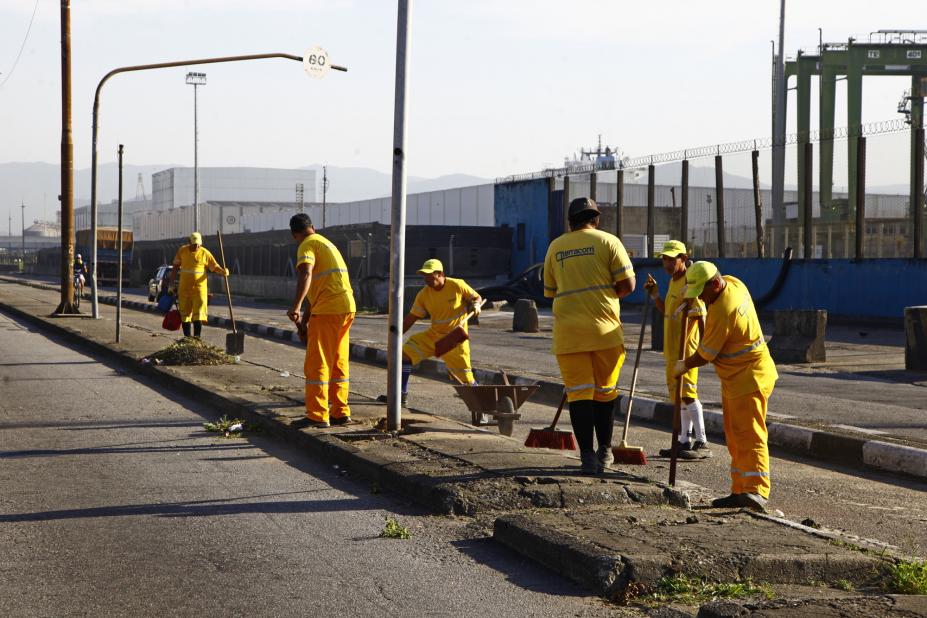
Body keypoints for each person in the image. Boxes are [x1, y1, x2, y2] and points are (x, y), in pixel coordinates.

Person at [672, 261, 778, 511]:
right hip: (738, 378)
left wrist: (683, 365)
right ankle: (740, 489)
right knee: (735, 435)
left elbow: (705, 354)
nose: (701, 299)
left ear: (715, 284)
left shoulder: (723, 311)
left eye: (702, 293)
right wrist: (696, 301)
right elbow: (709, 301)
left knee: (750, 435)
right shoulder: (734, 282)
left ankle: (756, 491)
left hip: (749, 378)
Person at [543, 197, 635, 474]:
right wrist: (606, 295)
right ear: (596, 219)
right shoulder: (609, 242)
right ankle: (605, 452)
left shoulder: (555, 247)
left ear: (570, 221)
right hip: (604, 332)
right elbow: (628, 285)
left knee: (579, 396)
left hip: (569, 335)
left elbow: (549, 291)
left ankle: (586, 457)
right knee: (605, 394)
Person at [377, 258, 483, 412]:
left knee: (466, 380)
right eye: (424, 276)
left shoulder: (457, 285)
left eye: (429, 275)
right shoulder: (424, 294)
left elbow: (476, 297)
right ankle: (400, 394)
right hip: (434, 335)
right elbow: (411, 318)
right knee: (405, 354)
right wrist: (394, 338)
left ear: (440, 274)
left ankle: (481, 407)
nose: (426, 279)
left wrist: (476, 304)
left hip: (455, 339)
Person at [643, 240, 711, 459]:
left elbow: (700, 314)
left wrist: (703, 344)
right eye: (665, 259)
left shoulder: (690, 282)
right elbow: (667, 312)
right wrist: (655, 295)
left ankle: (701, 440)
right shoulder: (673, 282)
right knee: (678, 396)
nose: (667, 263)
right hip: (671, 349)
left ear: (684, 258)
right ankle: (684, 440)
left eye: (672, 259)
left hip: (686, 349)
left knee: (688, 393)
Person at [288, 213, 356, 429]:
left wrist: (296, 306)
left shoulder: (306, 245)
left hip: (328, 310)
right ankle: (340, 412)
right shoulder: (326, 243)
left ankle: (317, 415)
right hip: (346, 308)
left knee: (318, 363)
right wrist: (305, 321)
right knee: (338, 361)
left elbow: (306, 274)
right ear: (313, 227)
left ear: (294, 235)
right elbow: (317, 291)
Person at [168, 232, 229, 338]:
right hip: (184, 290)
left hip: (199, 290)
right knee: (185, 315)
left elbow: (214, 267)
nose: (197, 246)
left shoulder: (205, 253)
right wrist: (171, 284)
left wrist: (223, 271)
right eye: (194, 244)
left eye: (198, 244)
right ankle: (187, 338)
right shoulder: (182, 251)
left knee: (198, 315)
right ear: (189, 242)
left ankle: (197, 338)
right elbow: (175, 267)